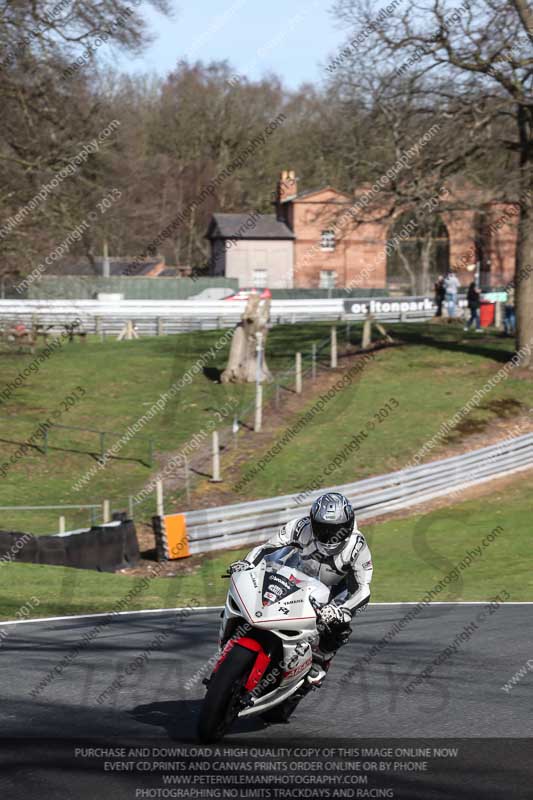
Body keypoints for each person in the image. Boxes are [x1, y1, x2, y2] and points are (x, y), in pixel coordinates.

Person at [229, 492, 373, 720]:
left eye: (335, 530)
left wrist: (343, 609)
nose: (328, 535)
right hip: (297, 576)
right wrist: (247, 563)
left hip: (335, 592)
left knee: (337, 626)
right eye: (322, 528)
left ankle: (319, 664)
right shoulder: (300, 527)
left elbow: (363, 589)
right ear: (313, 522)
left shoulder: (357, 545)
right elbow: (268, 548)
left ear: (347, 525)